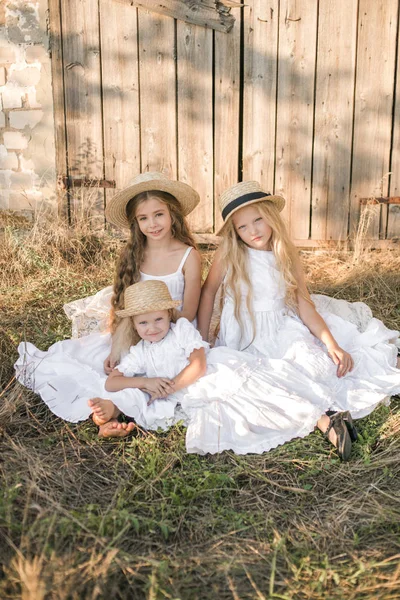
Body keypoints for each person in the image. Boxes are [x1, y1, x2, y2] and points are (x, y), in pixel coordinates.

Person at [197, 181, 400, 459]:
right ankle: (327, 418)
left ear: (271, 217)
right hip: (244, 335)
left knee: (317, 364)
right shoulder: (230, 254)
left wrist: (330, 343)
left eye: (258, 220)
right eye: (242, 227)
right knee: (259, 376)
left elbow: (305, 306)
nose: (253, 230)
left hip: (282, 328)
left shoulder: (285, 255)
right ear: (234, 232)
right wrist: (200, 339)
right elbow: (208, 293)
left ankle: (344, 401)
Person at [15, 172, 202, 425]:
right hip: (136, 328)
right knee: (104, 366)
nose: (153, 224)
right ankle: (110, 408)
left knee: (167, 369)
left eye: (159, 214)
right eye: (143, 218)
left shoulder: (188, 255)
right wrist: (118, 345)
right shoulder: (133, 254)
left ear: (172, 215)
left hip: (172, 328)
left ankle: (117, 409)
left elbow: (189, 311)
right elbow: (121, 303)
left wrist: (158, 333)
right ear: (136, 223)